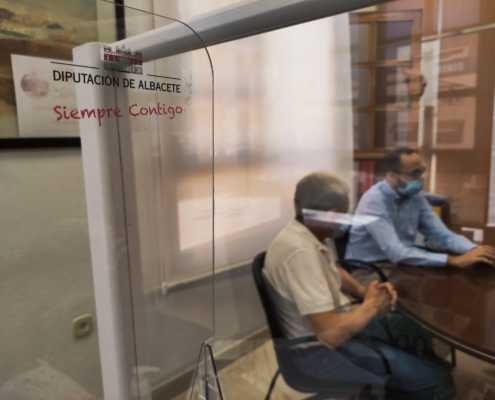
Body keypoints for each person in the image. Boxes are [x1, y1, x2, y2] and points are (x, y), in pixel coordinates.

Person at [264, 172, 455, 400]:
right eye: (344, 213)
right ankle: (425, 381)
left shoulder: (312, 232)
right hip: (320, 354)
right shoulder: (300, 252)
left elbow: (333, 269)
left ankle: (416, 373)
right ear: (331, 214)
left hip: (342, 329)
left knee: (409, 327)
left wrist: (364, 292)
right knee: (435, 384)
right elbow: (330, 335)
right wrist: (372, 305)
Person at [346, 147, 495, 268]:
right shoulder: (373, 201)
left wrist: (473, 250)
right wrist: (453, 261)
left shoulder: (415, 197)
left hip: (400, 264)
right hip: (370, 268)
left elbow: (440, 234)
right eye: (414, 173)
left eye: (421, 170)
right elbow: (396, 251)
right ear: (392, 176)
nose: (422, 177)